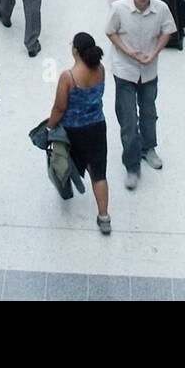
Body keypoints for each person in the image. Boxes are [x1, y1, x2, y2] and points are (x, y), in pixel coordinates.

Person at [105, 0, 177, 191]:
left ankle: (149, 148)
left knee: (148, 112)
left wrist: (154, 52)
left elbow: (168, 31)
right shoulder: (119, 8)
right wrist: (128, 52)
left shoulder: (161, 8)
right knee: (128, 120)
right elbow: (110, 32)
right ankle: (132, 165)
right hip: (125, 70)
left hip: (148, 71)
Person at [47, 32, 112, 234]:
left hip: (73, 131)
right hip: (97, 127)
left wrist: (49, 127)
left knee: (62, 164)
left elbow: (59, 107)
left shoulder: (69, 76)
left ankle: (66, 191)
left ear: (75, 50)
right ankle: (104, 216)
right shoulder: (100, 69)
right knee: (99, 173)